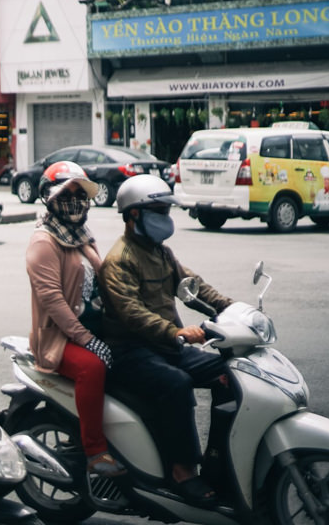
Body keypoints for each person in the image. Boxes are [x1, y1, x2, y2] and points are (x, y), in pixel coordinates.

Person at [99, 174, 235, 505]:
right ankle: (182, 473)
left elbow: (192, 283)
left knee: (229, 374)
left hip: (164, 346)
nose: (165, 219)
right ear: (134, 215)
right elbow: (132, 314)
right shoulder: (119, 260)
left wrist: (231, 307)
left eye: (165, 211)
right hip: (130, 351)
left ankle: (220, 460)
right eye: (158, 211)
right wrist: (176, 332)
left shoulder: (160, 251)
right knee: (176, 384)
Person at [25, 161, 124, 478]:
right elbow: (52, 299)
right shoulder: (45, 240)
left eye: (82, 194)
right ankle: (95, 451)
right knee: (92, 366)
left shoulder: (82, 233)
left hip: (94, 327)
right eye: (68, 193)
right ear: (49, 198)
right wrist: (88, 340)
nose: (77, 200)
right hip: (59, 337)